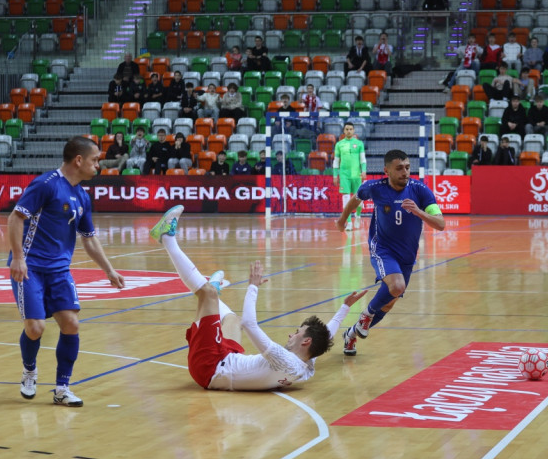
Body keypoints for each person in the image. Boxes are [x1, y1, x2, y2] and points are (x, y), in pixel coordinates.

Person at [151, 205, 367, 389]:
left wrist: (252, 287)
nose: (292, 334)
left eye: (297, 333)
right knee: (231, 320)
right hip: (228, 360)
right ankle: (213, 298)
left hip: (209, 368)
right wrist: (344, 308)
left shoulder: (284, 359)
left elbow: (250, 324)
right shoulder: (306, 366)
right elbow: (326, 336)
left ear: (306, 341)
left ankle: (167, 237)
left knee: (206, 293)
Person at [8, 136, 125, 407]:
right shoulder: (46, 185)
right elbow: (15, 217)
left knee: (71, 324)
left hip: (59, 271)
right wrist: (17, 257)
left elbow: (89, 238)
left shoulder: (83, 195)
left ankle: (62, 388)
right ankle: (29, 370)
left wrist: (109, 270)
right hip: (31, 268)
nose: (99, 165)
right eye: (96, 160)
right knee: (35, 328)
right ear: (79, 160)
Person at [336, 149, 445, 356]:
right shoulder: (374, 187)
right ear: (387, 171)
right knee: (397, 286)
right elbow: (355, 199)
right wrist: (342, 220)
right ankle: (365, 316)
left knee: (389, 302)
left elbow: (441, 224)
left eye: (407, 167)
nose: (405, 172)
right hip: (382, 248)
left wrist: (418, 211)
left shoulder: (420, 191)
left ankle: (351, 334)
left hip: (407, 255)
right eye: (399, 168)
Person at [333, 122, 367, 230]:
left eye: (350, 129)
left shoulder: (359, 143)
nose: (348, 131)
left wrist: (364, 171)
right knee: (346, 198)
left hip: (356, 175)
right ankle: (349, 223)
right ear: (343, 131)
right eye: (346, 129)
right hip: (344, 175)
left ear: (354, 131)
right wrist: (335, 175)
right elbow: (336, 161)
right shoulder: (339, 144)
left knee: (359, 199)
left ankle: (357, 215)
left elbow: (362, 160)